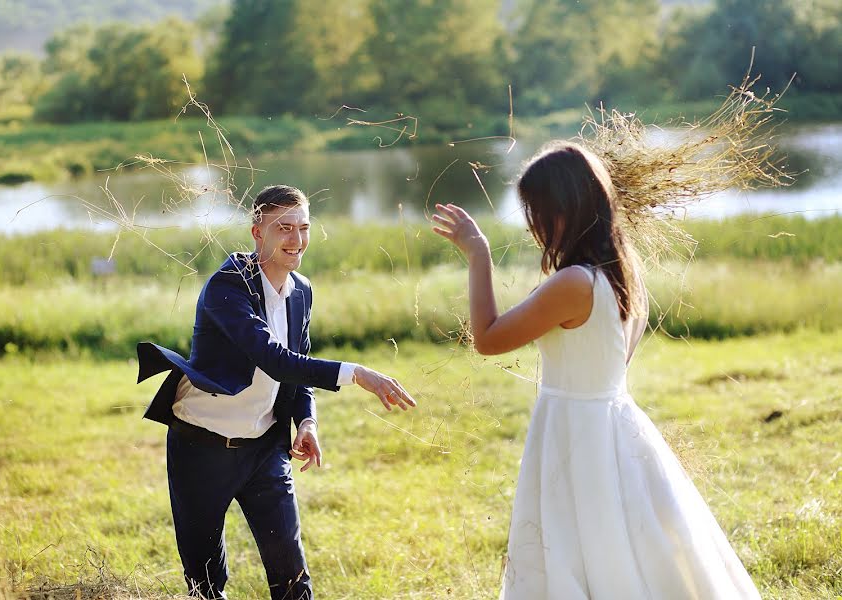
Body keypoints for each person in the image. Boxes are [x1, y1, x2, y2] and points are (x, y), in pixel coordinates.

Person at [431, 142, 761, 599]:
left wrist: (478, 253)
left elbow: (487, 339)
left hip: (575, 432)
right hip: (617, 424)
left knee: (578, 549)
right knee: (624, 545)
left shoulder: (573, 282)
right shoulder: (624, 274)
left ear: (564, 208)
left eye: (537, 211)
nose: (533, 225)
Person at [137, 185, 416, 600]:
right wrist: (357, 374)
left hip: (265, 448)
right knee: (205, 581)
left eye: (303, 228)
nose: (296, 240)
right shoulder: (227, 285)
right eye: (283, 227)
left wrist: (307, 420)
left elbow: (297, 366)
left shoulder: (301, 290)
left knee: (291, 574)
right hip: (201, 447)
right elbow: (275, 359)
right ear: (257, 232)